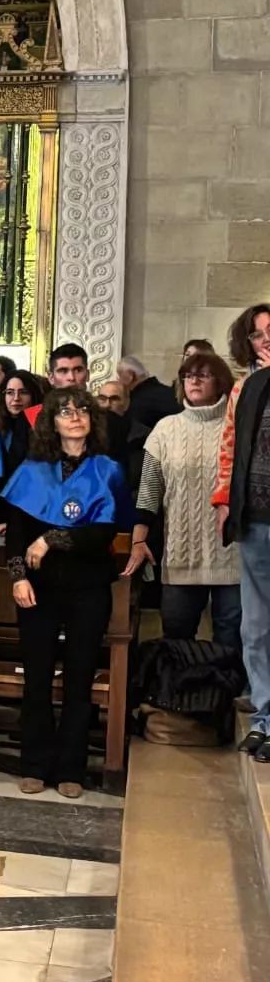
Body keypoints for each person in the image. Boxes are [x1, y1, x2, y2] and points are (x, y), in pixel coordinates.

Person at [3, 387, 128, 798]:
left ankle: (72, 768)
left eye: (82, 410)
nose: (75, 417)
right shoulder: (32, 470)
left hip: (88, 587)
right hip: (38, 588)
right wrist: (18, 577)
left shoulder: (107, 469)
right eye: (65, 412)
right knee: (37, 677)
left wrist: (51, 538)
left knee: (79, 678)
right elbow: (16, 532)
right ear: (51, 422)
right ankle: (34, 764)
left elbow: (103, 531)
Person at [128, 352, 238, 653]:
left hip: (232, 554)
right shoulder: (165, 429)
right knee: (176, 637)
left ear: (221, 382)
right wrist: (138, 540)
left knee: (231, 639)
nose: (194, 381)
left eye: (203, 375)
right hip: (181, 551)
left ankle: (227, 686)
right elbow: (149, 491)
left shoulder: (238, 426)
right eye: (188, 375)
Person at [211, 302, 270, 763]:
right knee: (255, 627)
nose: (266, 340)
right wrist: (223, 500)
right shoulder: (244, 388)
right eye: (257, 334)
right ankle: (264, 717)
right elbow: (229, 448)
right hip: (256, 518)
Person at [0, 370, 46, 479]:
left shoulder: (44, 426)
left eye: (23, 392)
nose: (16, 398)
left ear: (33, 395)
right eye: (10, 392)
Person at [120, 355, 182, 433]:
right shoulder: (169, 391)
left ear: (131, 376)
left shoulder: (138, 402)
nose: (119, 381)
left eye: (119, 376)